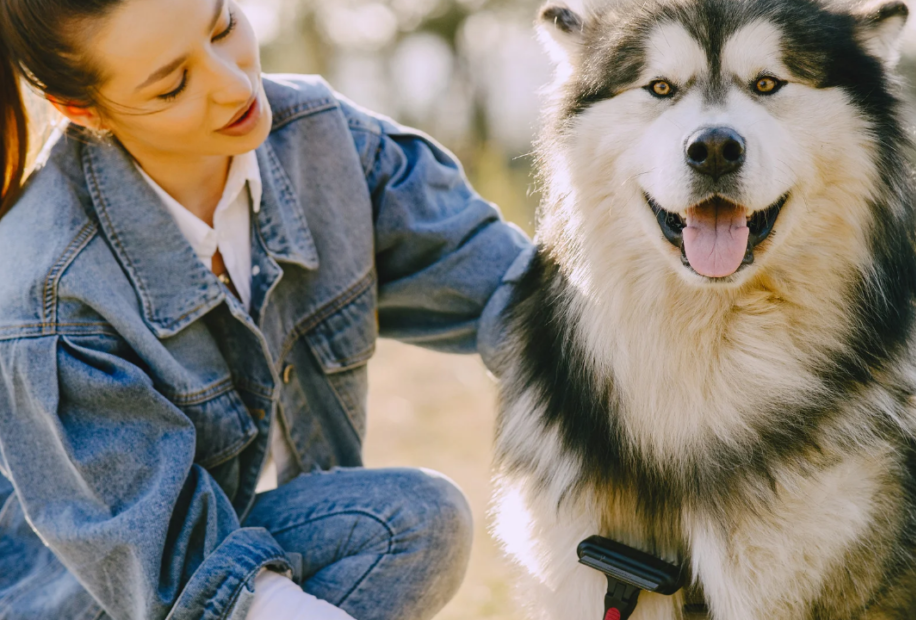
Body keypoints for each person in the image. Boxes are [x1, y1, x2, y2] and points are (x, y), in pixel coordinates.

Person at [0, 0, 533, 619]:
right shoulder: (46, 296)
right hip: (85, 598)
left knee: (410, 523)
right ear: (81, 109)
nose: (232, 84)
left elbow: (530, 301)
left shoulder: (327, 144)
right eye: (174, 85)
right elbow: (176, 574)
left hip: (218, 575)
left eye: (223, 25)